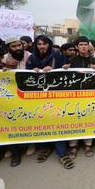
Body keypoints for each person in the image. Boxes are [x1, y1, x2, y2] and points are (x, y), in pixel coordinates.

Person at [26, 35, 73, 169]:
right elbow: (24, 75)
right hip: (38, 98)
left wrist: (60, 68)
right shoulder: (32, 58)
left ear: (49, 45)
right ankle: (46, 148)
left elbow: (67, 67)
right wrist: (32, 71)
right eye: (39, 44)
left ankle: (62, 154)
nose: (42, 46)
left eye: (45, 44)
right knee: (43, 122)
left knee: (58, 122)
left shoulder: (57, 55)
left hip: (57, 95)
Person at [64, 36, 95, 158]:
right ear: (77, 47)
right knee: (74, 119)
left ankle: (88, 144)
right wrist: (65, 68)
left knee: (88, 118)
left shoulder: (94, 60)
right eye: (81, 45)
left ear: (88, 46)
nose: (83, 47)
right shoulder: (70, 60)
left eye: (85, 44)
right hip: (74, 95)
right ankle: (73, 145)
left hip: (90, 95)